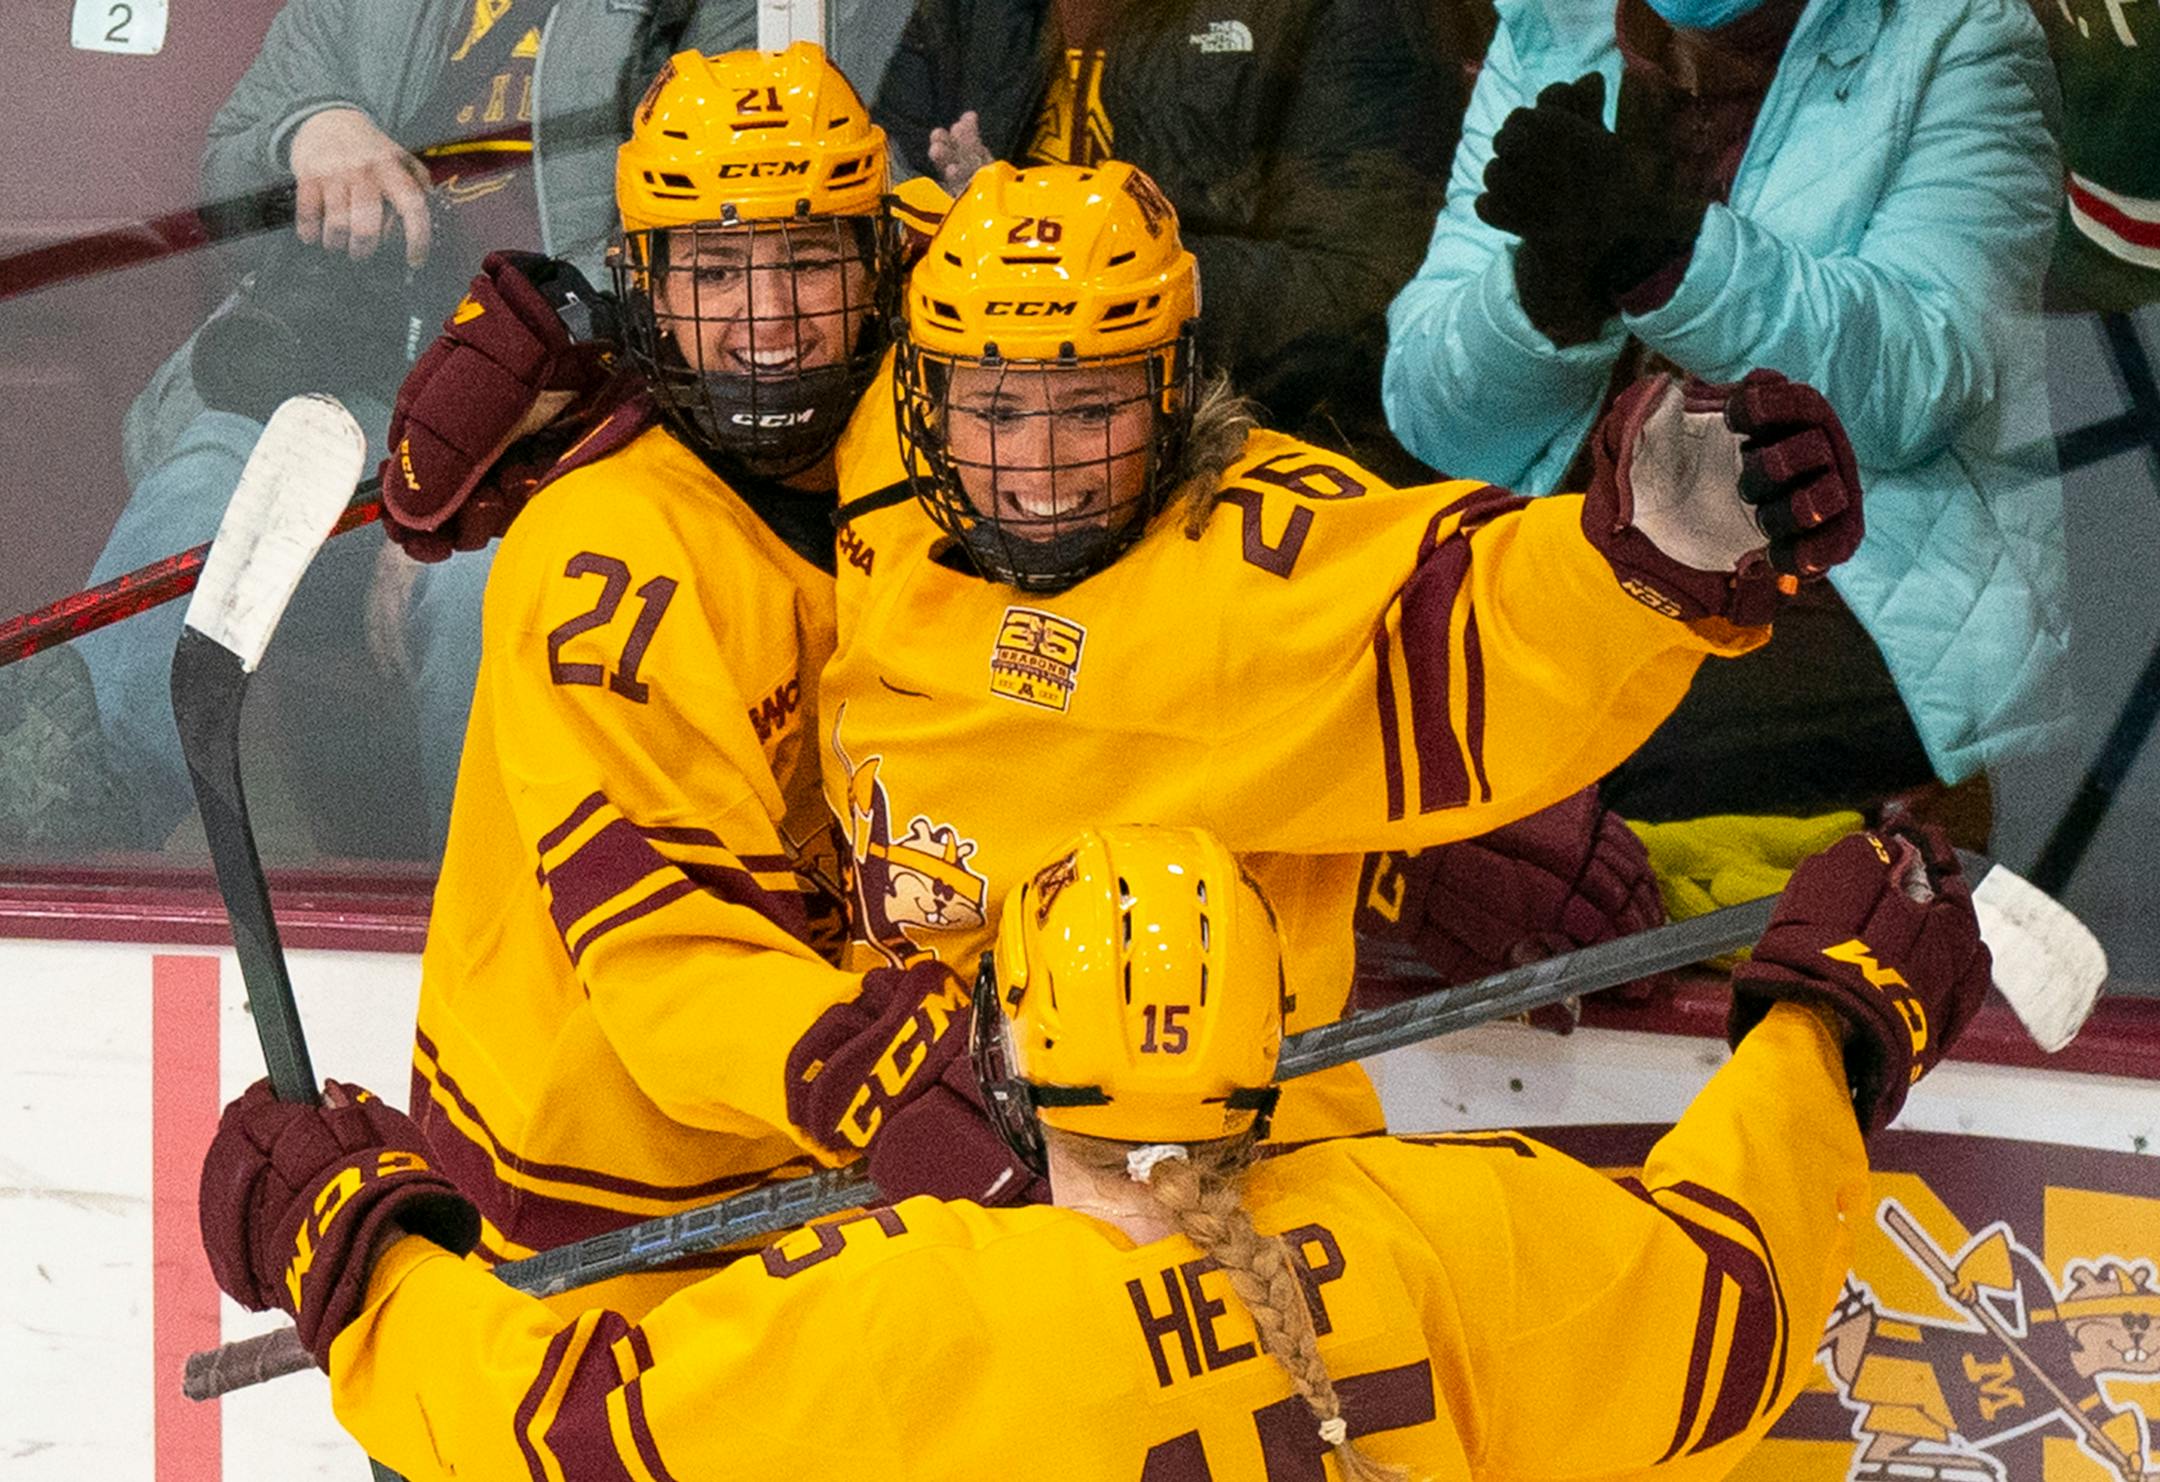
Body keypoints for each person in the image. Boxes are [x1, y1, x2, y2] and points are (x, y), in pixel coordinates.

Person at [195, 819, 1993, 1478]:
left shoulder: (902, 1318)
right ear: (1271, 1063)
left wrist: (357, 1254)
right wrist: (1826, 1024)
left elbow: (535, 1422)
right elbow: (1741, 1296)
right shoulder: (1449, 1231)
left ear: (1002, 1056)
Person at [809, 157, 1866, 1145]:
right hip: (916, 1153)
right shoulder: (892, 481)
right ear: (926, 393)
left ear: (1171, 386)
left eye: (1091, 408)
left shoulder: (1239, 564)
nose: (1035, 464)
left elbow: (1466, 610)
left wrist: (1648, 552)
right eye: (996, 409)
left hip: (1199, 1167)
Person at [393, 43, 1030, 1314]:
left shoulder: (933, 426)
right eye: (716, 271)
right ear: (646, 290)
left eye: (806, 263)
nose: (767, 324)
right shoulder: (607, 563)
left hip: (822, 1168)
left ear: (880, 269)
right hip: (584, 1211)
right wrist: (896, 1070)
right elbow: (676, 957)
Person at [78, 0, 762, 856]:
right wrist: (305, 131)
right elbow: (229, 186)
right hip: (350, 391)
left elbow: (708, 288)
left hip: (565, 418)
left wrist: (454, 464)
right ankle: (62, 870)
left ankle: (476, 920)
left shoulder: (709, 15)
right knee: (199, 489)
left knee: (487, 586)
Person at [1382, 0, 2071, 824]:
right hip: (1586, 551)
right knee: (1365, 705)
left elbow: (1921, 381)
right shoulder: (1554, 28)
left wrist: (1662, 252)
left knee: (1554, 769)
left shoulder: (1957, 34)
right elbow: (1430, 411)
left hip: (1866, 580)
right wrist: (1544, 292)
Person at [870, 0, 1463, 474]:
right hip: (978, 452)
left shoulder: (1342, 14)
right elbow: (867, 242)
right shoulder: (969, 13)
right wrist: (946, 236)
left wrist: (1090, 271)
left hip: (1236, 459)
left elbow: (1367, 296)